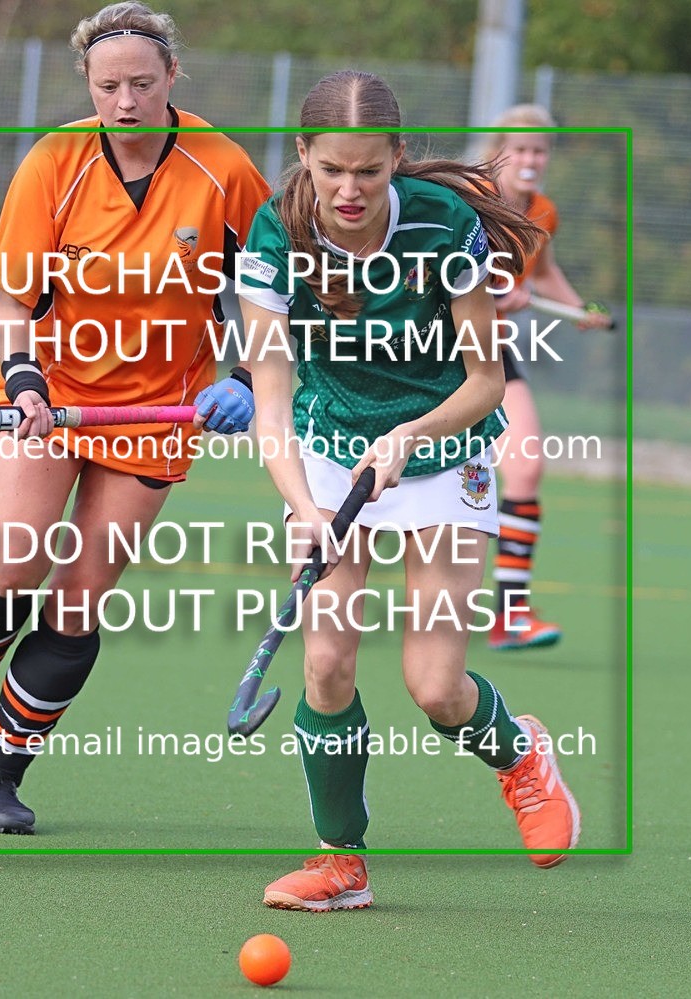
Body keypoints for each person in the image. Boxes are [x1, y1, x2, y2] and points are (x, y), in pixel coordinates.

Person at [0, 2, 270, 834]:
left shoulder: (223, 168)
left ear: (173, 77)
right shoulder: (54, 162)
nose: (127, 99)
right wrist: (24, 376)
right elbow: (11, 301)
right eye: (110, 85)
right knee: (15, 561)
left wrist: (247, 373)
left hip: (156, 414)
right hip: (54, 397)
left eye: (144, 82)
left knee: (79, 600)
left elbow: (271, 290)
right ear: (89, 85)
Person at [236, 71, 581, 912]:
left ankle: (521, 754)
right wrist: (307, 511)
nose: (349, 191)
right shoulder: (277, 235)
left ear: (395, 158)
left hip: (443, 448)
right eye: (332, 172)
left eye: (369, 172)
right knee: (324, 661)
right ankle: (340, 863)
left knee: (436, 686)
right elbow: (270, 404)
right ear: (304, 158)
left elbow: (486, 380)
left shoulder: (444, 226)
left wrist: (410, 435)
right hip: (322, 448)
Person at [483, 105, 613, 650]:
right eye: (523, 149)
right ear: (500, 150)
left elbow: (542, 270)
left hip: (493, 350)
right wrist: (490, 292)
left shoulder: (543, 213)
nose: (532, 160)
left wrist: (579, 306)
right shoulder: (471, 199)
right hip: (431, 350)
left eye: (542, 150)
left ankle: (509, 614)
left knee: (527, 467)